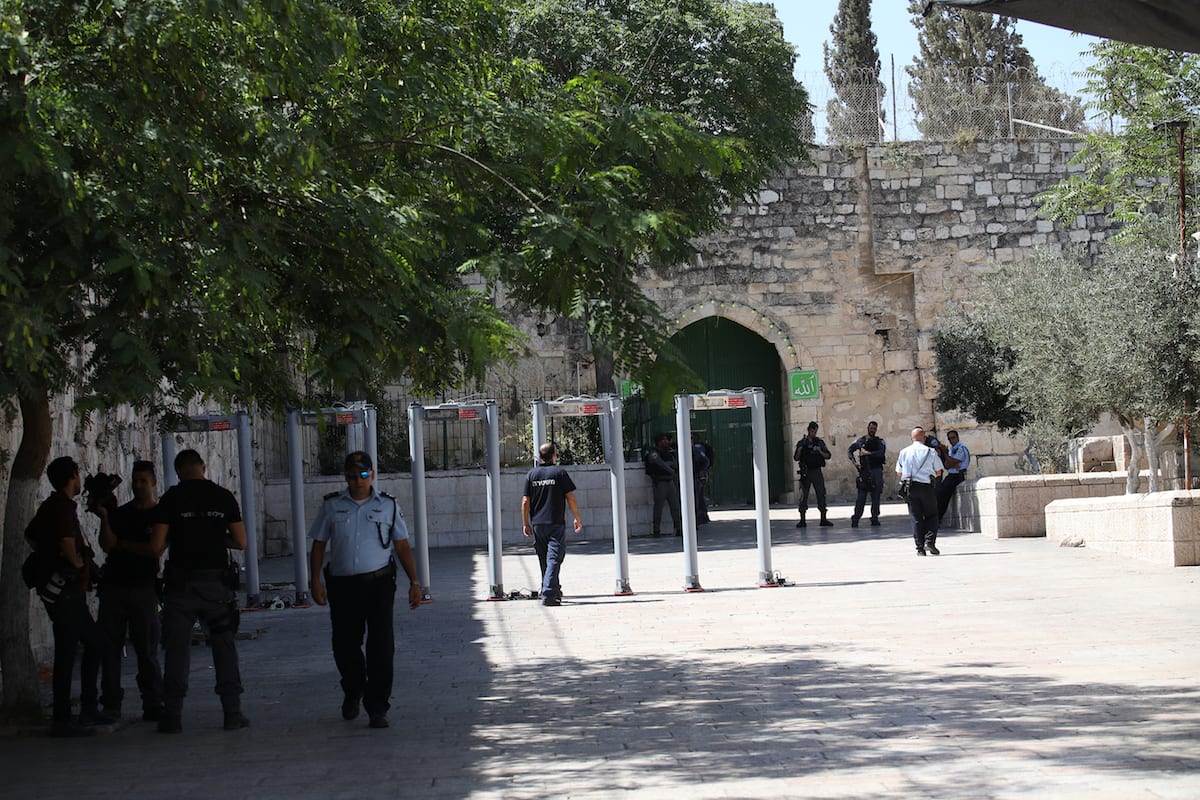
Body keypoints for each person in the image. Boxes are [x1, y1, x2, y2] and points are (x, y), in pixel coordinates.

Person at [309, 451, 421, 729]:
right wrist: (314, 581)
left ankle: (377, 707)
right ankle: (353, 688)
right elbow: (319, 544)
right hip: (343, 585)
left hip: (379, 584)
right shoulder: (332, 506)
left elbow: (402, 545)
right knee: (345, 645)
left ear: (371, 475)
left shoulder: (388, 506)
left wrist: (415, 583)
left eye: (362, 474)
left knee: (381, 646)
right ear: (345, 477)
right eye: (351, 475)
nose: (357, 480)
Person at [150, 448, 249, 734]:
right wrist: (216, 537)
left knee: (177, 650)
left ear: (179, 471)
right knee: (224, 647)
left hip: (180, 586)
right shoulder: (223, 496)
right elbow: (240, 541)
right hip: (216, 585)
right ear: (203, 467)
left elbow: (157, 546)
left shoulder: (171, 499)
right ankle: (232, 713)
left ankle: (172, 715)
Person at [25, 456, 110, 737]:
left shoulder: (53, 506)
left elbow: (32, 535)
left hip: (67, 592)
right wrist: (74, 564)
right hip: (67, 591)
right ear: (73, 475)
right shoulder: (61, 508)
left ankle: (79, 710)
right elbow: (66, 544)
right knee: (76, 649)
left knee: (80, 647)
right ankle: (69, 715)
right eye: (78, 474)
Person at [96, 459, 165, 722]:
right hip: (114, 586)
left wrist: (123, 544)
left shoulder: (159, 515)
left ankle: (153, 702)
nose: (138, 486)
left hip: (143, 588)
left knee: (147, 649)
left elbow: (154, 549)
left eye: (143, 481)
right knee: (110, 649)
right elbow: (107, 544)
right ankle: (111, 704)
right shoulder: (120, 513)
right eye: (135, 481)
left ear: (153, 483)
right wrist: (105, 518)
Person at [521, 442, 583, 607]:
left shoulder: (531, 475)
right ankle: (548, 593)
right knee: (554, 558)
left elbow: (525, 501)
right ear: (554, 455)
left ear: (540, 457)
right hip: (555, 524)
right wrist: (577, 517)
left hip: (538, 525)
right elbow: (570, 497)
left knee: (545, 560)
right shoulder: (559, 473)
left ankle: (552, 589)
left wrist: (525, 523)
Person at [896, 427, 945, 556]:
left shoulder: (904, 452)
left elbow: (899, 472)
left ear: (911, 438)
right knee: (932, 515)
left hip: (910, 487)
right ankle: (930, 541)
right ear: (924, 438)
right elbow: (939, 471)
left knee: (916, 518)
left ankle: (920, 549)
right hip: (926, 487)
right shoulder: (930, 451)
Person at [847, 421, 887, 527]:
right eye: (871, 428)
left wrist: (868, 453)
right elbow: (850, 450)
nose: (872, 430)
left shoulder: (880, 442)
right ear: (867, 428)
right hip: (864, 472)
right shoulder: (861, 441)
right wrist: (855, 463)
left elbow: (881, 453)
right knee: (861, 498)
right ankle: (856, 518)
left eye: (874, 428)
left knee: (876, 497)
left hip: (876, 471)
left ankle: (874, 518)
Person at [793, 421, 833, 527]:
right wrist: (800, 450)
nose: (813, 433)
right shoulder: (802, 443)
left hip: (816, 471)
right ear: (808, 430)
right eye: (811, 431)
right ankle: (802, 520)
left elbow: (828, 455)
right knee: (803, 496)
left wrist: (820, 451)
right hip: (806, 472)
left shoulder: (819, 442)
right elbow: (796, 458)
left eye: (815, 431)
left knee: (821, 494)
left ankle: (823, 518)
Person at [645, 433, 682, 536]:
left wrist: (670, 467)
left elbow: (674, 463)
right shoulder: (653, 452)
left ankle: (678, 527)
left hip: (669, 481)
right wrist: (670, 469)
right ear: (659, 442)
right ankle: (656, 530)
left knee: (675, 506)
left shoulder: (668, 452)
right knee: (658, 507)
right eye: (664, 440)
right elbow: (659, 463)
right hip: (660, 482)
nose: (666, 442)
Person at [937, 429, 971, 523]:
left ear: (957, 437)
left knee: (943, 496)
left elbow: (953, 461)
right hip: (952, 474)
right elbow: (947, 465)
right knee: (939, 493)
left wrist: (946, 455)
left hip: (957, 476)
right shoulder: (952, 449)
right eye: (949, 439)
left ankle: (938, 518)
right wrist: (947, 457)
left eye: (953, 438)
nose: (952, 440)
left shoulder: (961, 448)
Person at [690, 433, 711, 524]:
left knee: (697, 498)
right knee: (698, 498)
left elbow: (705, 461)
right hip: (695, 476)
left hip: (695, 476)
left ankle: (698, 517)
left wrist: (700, 471)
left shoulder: (696, 449)